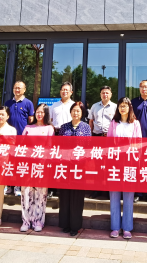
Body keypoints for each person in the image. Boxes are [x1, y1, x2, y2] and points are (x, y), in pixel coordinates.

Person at [107, 97, 142, 239]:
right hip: (115, 163)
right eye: (120, 106)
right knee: (114, 195)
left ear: (129, 108)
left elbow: (139, 144)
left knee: (128, 196)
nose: (123, 108)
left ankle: (127, 228)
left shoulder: (135, 123)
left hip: (130, 163)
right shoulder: (113, 123)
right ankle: (115, 227)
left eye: (125, 106)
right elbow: (109, 143)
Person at [58, 101, 91, 236]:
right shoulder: (64, 127)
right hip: (65, 165)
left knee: (77, 196)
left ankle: (75, 226)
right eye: (73, 110)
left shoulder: (86, 127)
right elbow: (59, 146)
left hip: (80, 166)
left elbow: (88, 147)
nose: (75, 113)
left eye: (78, 111)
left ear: (82, 113)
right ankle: (65, 224)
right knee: (65, 195)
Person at [20, 103, 54, 232]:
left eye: (42, 112)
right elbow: (22, 145)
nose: (39, 114)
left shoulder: (49, 128)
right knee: (26, 193)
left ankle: (38, 221)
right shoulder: (28, 127)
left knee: (41, 194)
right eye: (37, 112)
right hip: (27, 164)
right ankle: (26, 220)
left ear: (46, 114)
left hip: (41, 165)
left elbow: (50, 147)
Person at [3, 81, 34, 196]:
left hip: (22, 138)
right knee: (8, 162)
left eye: (19, 88)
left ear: (24, 90)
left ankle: (17, 186)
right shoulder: (8, 103)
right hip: (9, 137)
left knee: (20, 162)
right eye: (15, 88)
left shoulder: (28, 103)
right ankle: (8, 186)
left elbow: (31, 119)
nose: (17, 90)